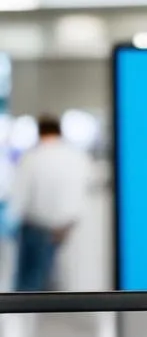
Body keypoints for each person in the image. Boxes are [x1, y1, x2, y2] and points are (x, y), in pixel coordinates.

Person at [7, 114, 90, 291]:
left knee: (29, 282)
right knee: (63, 283)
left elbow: (20, 193)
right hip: (68, 228)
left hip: (37, 227)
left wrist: (11, 222)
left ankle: (24, 317)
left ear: (40, 132)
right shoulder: (77, 157)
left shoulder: (33, 157)